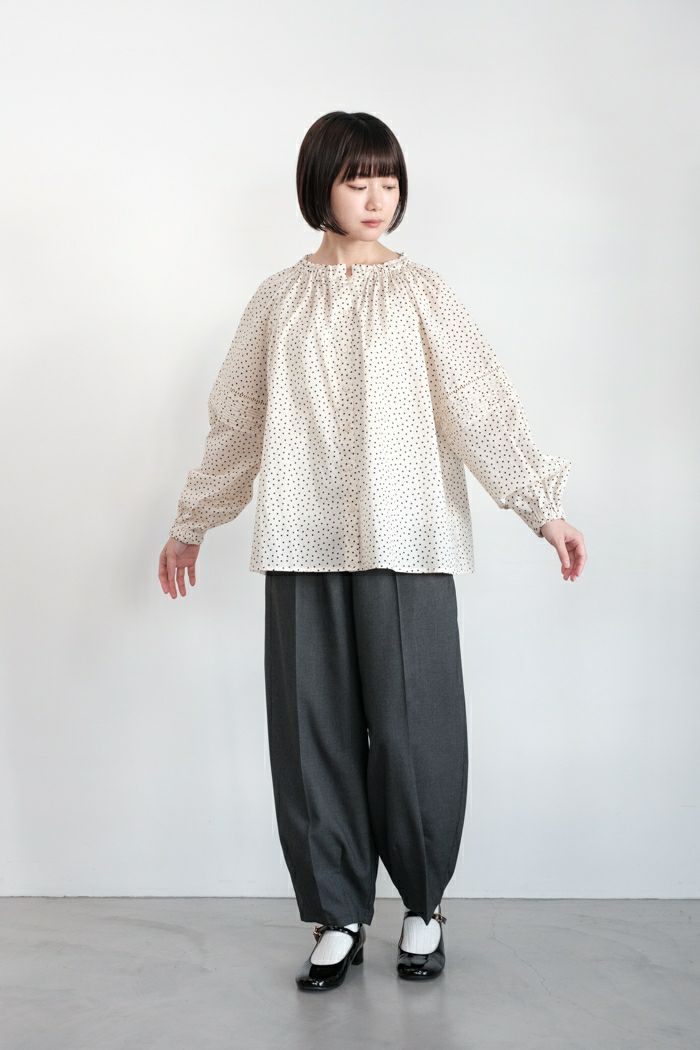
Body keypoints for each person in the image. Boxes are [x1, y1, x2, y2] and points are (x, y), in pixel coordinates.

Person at [157, 110, 587, 992]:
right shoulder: (277, 300)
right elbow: (238, 423)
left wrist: (542, 510)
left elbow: (479, 408)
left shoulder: (423, 292)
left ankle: (423, 906)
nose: (376, 197)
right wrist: (193, 520)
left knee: (413, 728)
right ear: (319, 185)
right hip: (301, 534)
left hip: (408, 534)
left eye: (388, 181)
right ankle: (338, 914)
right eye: (358, 180)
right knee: (310, 729)